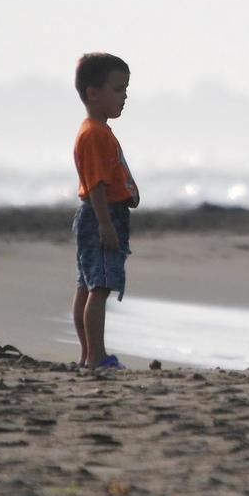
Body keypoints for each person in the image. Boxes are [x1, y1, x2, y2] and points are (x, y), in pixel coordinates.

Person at [71, 52, 140, 370]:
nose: (124, 97)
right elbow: (96, 184)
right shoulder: (95, 134)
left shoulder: (97, 131)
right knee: (98, 286)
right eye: (118, 89)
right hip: (102, 214)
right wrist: (105, 224)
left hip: (102, 213)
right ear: (93, 93)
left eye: (125, 89)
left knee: (87, 285)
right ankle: (96, 354)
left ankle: (88, 354)